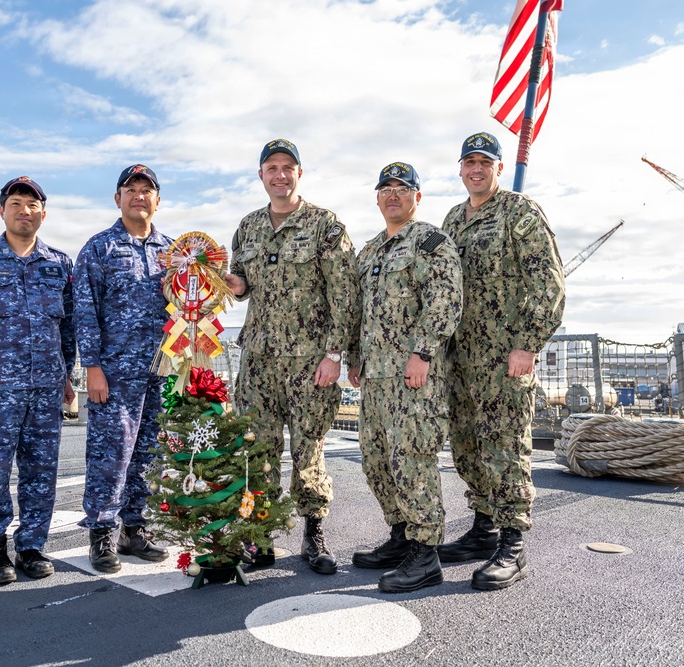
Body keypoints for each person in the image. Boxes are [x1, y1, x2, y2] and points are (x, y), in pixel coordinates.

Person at [225, 139, 360, 574]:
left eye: (288, 167)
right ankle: (260, 537)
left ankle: (313, 534)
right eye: (271, 168)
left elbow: (344, 294)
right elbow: (243, 284)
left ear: (299, 174)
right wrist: (233, 285)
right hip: (259, 360)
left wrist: (334, 354)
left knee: (308, 451)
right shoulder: (247, 228)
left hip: (310, 361)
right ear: (261, 176)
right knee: (256, 451)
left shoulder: (325, 225)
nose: (280, 175)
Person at [440, 132, 565, 590]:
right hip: (460, 360)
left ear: (496, 167)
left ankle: (512, 543)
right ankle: (483, 529)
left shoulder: (520, 212)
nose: (477, 169)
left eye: (485, 162)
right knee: (468, 446)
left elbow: (548, 284)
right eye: (469, 161)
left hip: (503, 359)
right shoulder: (453, 219)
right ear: (460, 169)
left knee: (506, 448)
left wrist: (527, 344)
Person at [0, 176, 76, 585]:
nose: (25, 210)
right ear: (2, 210)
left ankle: (32, 546)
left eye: (33, 204)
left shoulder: (59, 263)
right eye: (17, 203)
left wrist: (67, 376)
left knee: (42, 470)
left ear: (43, 212)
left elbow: (69, 327)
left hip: (46, 385)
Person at [346, 162, 462, 593]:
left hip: (414, 376)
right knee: (376, 459)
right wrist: (355, 359)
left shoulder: (431, 242)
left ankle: (425, 553)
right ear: (377, 197)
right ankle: (401, 535)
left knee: (412, 459)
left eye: (402, 188)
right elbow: (360, 314)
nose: (393, 195)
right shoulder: (371, 251)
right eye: (386, 188)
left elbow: (445, 300)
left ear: (417, 196)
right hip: (376, 378)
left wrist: (423, 353)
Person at [74, 165, 174, 573]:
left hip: (163, 369)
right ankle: (101, 533)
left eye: (146, 190)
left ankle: (136, 528)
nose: (138, 196)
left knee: (149, 452)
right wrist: (92, 367)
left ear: (157, 200)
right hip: (115, 372)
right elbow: (84, 312)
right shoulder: (99, 249)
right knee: (111, 454)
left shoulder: (174, 251)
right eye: (130, 190)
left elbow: (191, 307)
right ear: (118, 199)